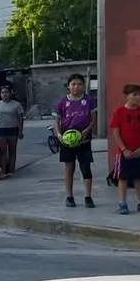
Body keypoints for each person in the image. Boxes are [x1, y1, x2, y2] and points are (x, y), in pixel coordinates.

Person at [110, 83, 140, 215]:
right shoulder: (119, 113)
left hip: (139, 152)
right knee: (123, 178)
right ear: (126, 96)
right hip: (124, 153)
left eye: (139, 95)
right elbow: (116, 133)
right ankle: (122, 204)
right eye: (134, 95)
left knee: (139, 178)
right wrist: (124, 149)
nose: (138, 97)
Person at [55, 73, 98, 208]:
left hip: (83, 140)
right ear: (68, 86)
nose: (76, 87)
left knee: (86, 168)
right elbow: (57, 120)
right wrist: (59, 135)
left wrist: (86, 131)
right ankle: (69, 196)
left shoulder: (89, 100)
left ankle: (88, 197)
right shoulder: (63, 102)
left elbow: (93, 119)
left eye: (79, 84)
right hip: (67, 141)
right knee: (69, 168)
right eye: (73, 84)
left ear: (83, 86)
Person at [0, 85, 25, 176]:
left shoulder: (16, 105)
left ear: (10, 93)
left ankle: (11, 170)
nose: (4, 94)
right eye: (2, 92)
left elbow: (21, 118)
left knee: (12, 150)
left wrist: (20, 131)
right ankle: (3, 171)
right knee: (2, 151)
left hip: (13, 129)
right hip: (1, 129)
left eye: (6, 92)